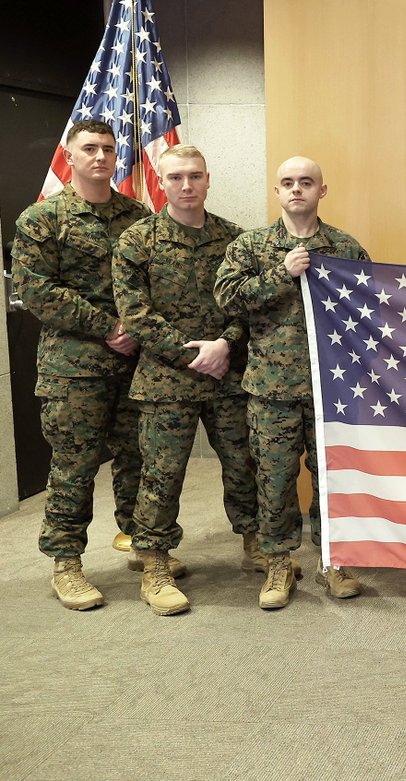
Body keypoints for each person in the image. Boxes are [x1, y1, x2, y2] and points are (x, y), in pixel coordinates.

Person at [113, 144, 263, 616]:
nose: (186, 185)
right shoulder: (139, 241)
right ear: (162, 180)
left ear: (208, 179)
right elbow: (135, 313)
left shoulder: (234, 239)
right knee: (162, 474)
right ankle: (155, 565)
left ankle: (256, 542)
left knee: (244, 462)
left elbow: (248, 306)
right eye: (176, 177)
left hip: (226, 372)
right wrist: (192, 353)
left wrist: (224, 344)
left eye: (194, 176)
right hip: (165, 381)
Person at [215, 156, 370, 609]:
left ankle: (334, 561)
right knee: (275, 480)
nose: (296, 189)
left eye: (306, 182)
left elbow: (369, 310)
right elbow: (227, 298)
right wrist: (280, 273)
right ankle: (278, 564)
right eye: (288, 183)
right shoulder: (252, 247)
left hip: (332, 389)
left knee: (332, 479)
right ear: (277, 192)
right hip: (272, 388)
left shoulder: (344, 248)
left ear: (322, 190)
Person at [11, 119, 147, 610]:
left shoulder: (137, 215)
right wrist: (110, 328)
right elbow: (37, 291)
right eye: (89, 148)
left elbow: (154, 279)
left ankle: (143, 546)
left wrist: (139, 326)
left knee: (138, 458)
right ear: (69, 155)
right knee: (75, 466)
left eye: (108, 149)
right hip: (75, 368)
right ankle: (66, 564)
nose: (100, 157)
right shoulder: (42, 220)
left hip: (135, 363)